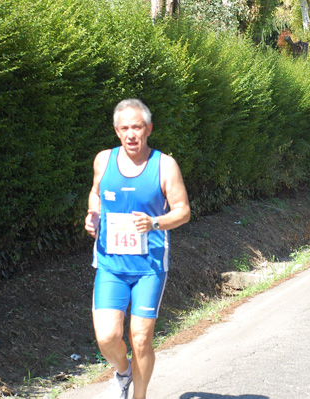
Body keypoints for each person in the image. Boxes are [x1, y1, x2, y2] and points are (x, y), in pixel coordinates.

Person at [84, 99, 191, 399]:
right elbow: (95, 195)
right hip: (111, 265)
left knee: (141, 339)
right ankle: (123, 372)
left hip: (149, 267)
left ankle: (139, 397)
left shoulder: (164, 165)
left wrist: (155, 222)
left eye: (137, 127)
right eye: (125, 128)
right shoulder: (103, 161)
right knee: (107, 338)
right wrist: (92, 216)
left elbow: (183, 210)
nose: (131, 134)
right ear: (117, 131)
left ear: (149, 129)